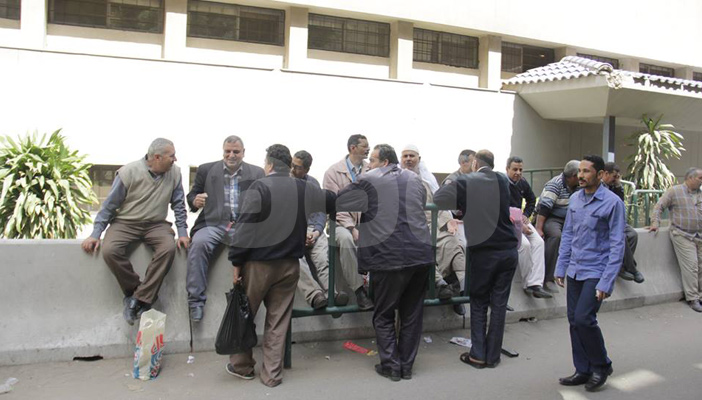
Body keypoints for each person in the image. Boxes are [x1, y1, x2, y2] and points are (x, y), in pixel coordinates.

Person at [226, 144, 335, 387]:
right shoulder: (304, 188)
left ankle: (242, 366)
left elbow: (243, 231)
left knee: (245, 315)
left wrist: (236, 265)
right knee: (278, 322)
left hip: (258, 265)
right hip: (289, 266)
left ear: (270, 165)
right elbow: (332, 201)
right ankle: (272, 375)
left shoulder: (258, 187)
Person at [337, 144, 433, 381]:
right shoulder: (415, 179)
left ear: (384, 162)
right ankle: (406, 367)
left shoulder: (369, 178)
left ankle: (391, 366)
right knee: (412, 314)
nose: (368, 164)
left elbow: (342, 200)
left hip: (387, 257)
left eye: (372, 160)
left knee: (383, 314)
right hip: (421, 255)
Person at [81, 138, 189, 325]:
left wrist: (182, 233)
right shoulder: (128, 172)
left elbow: (179, 205)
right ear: (157, 157)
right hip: (126, 222)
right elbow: (109, 206)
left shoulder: (175, 173)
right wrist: (95, 234)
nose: (175, 159)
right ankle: (137, 294)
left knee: (167, 249)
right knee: (110, 250)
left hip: (156, 224)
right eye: (171, 156)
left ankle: (137, 300)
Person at [434, 150, 519, 369]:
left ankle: (478, 355)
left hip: (484, 252)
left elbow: (439, 199)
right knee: (499, 305)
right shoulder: (503, 180)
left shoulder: (466, 181)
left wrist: (453, 186)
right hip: (508, 249)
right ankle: (493, 356)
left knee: (479, 301)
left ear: (474, 163)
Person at [555, 155, 625, 392]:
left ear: (600, 174)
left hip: (597, 270)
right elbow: (568, 234)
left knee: (585, 318)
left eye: (586, 171)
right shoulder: (575, 199)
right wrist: (561, 266)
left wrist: (607, 281)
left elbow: (617, 244)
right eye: (580, 171)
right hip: (575, 268)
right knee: (574, 321)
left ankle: (601, 366)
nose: (581, 175)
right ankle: (583, 369)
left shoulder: (612, 203)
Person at [185, 136, 265, 322]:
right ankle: (195, 301)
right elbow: (192, 195)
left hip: (244, 226)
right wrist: (195, 201)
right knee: (198, 244)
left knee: (258, 253)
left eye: (236, 151)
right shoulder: (206, 170)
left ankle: (246, 304)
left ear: (243, 153)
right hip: (213, 224)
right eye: (227, 151)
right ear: (223, 152)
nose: (231, 155)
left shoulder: (257, 173)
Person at [401, 144, 466, 315]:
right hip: (409, 229)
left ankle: (461, 290)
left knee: (454, 243)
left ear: (419, 159)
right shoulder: (397, 182)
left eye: (412, 156)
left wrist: (448, 221)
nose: (408, 159)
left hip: (432, 225)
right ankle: (441, 285)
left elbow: (439, 205)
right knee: (423, 249)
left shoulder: (427, 182)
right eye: (405, 156)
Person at [292, 150, 349, 309]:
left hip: (312, 230)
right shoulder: (286, 184)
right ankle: (314, 294)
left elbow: (320, 212)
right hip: (293, 230)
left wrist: (316, 232)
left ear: (306, 170)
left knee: (323, 257)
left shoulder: (312, 183)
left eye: (297, 167)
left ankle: (332, 293)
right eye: (292, 165)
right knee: (295, 260)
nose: (293, 169)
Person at [323, 134, 373, 310]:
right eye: (364, 146)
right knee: (345, 239)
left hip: (365, 223)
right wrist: (352, 228)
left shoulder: (371, 169)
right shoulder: (333, 172)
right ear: (353, 148)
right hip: (339, 224)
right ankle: (360, 292)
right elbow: (336, 205)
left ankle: (380, 287)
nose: (368, 149)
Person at [650, 167, 702, 312]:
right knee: (691, 266)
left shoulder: (700, 194)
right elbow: (659, 206)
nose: (701, 181)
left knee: (700, 267)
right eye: (700, 178)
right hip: (682, 234)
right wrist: (655, 223)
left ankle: (700, 295)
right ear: (690, 178)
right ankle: (693, 298)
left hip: (699, 235)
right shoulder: (675, 191)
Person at [506, 156, 551, 299]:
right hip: (507, 222)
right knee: (524, 245)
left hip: (521, 219)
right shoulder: (501, 184)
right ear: (507, 169)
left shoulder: (522, 182)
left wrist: (526, 215)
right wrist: (519, 225)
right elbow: (501, 208)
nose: (518, 173)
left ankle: (536, 284)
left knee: (539, 242)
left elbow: (532, 200)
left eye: (520, 170)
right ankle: (527, 283)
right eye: (515, 169)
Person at [535, 160, 580, 292]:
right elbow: (544, 208)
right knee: (556, 236)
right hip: (552, 217)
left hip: (571, 219)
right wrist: (539, 228)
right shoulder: (555, 184)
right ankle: (548, 278)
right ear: (573, 176)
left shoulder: (579, 186)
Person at [602, 162, 644, 283]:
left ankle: (622, 266)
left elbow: (619, 202)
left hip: (616, 221)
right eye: (614, 176)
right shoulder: (600, 187)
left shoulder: (613, 186)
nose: (615, 179)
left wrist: (618, 185)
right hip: (605, 222)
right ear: (605, 174)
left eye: (617, 177)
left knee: (632, 234)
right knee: (621, 236)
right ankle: (632, 269)